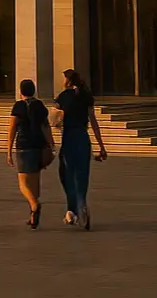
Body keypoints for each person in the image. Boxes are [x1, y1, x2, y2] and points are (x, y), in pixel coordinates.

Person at [52, 69, 108, 230]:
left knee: (66, 174)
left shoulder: (63, 96)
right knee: (82, 174)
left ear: (68, 81)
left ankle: (72, 209)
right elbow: (94, 122)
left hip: (69, 137)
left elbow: (55, 119)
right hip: (83, 138)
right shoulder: (86, 96)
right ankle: (81, 203)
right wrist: (101, 146)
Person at [7, 78, 53, 229]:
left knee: (23, 183)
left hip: (24, 145)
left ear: (21, 91)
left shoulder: (19, 106)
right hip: (39, 145)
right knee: (35, 180)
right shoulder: (39, 105)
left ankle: (34, 205)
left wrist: (8, 150)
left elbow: (12, 128)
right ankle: (33, 216)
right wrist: (51, 145)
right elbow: (45, 126)